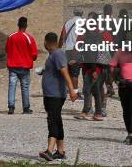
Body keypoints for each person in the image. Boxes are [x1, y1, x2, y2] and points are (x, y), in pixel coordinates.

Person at [38, 32, 78, 161]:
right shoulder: (54, 55)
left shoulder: (57, 54)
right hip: (52, 94)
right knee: (57, 120)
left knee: (52, 120)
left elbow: (64, 71)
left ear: (47, 42)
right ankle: (60, 151)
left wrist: (72, 90)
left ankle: (49, 150)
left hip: (54, 95)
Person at [75, 12, 106, 121]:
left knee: (87, 90)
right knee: (96, 90)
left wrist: (92, 70)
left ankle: (85, 111)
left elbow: (91, 54)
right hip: (97, 68)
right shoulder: (98, 35)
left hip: (91, 68)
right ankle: (98, 113)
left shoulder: (90, 37)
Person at [6, 17, 38, 114]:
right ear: (26, 25)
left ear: (18, 25)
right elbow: (34, 54)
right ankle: (26, 108)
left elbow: (7, 50)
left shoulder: (11, 36)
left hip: (13, 66)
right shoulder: (29, 38)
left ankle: (11, 107)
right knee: (25, 87)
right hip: (24, 67)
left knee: (12, 86)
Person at [58, 9, 84, 99]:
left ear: (74, 13)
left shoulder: (68, 22)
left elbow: (62, 37)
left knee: (68, 71)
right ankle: (76, 93)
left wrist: (58, 48)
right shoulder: (84, 23)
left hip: (68, 50)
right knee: (75, 73)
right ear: (82, 14)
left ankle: (66, 90)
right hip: (77, 50)